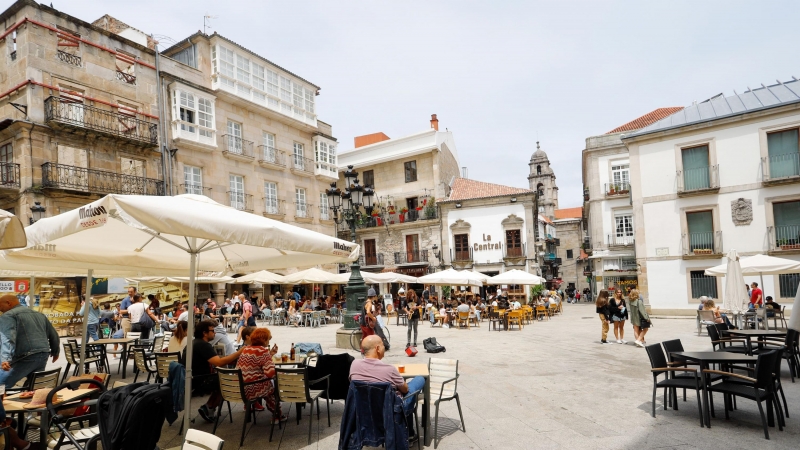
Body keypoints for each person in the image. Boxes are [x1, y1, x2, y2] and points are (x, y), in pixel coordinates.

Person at [349, 335, 425, 438]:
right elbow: (405, 389)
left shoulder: (354, 365)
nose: (384, 347)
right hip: (391, 411)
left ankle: (410, 433)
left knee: (402, 391)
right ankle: (410, 434)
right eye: (383, 344)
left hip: (365, 409)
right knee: (418, 380)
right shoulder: (389, 370)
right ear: (377, 348)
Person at [187, 320, 244, 423]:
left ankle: (209, 407)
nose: (215, 333)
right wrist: (239, 353)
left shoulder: (194, 343)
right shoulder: (203, 345)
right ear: (204, 333)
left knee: (220, 379)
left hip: (191, 379)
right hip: (198, 381)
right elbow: (219, 362)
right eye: (212, 331)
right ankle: (209, 407)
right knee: (226, 381)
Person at [0, 294, 60, 390]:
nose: (1, 310)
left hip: (25, 356)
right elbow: (54, 334)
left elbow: (8, 338)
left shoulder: (8, 316)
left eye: (1, 307)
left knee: (1, 384)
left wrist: (5, 359)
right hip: (43, 354)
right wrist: (55, 351)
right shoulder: (39, 315)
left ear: (8, 303)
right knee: (33, 387)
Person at [235, 328, 286, 421]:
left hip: (240, 388)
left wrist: (270, 354)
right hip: (252, 389)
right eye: (268, 339)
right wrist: (284, 375)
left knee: (268, 383)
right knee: (273, 387)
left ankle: (276, 414)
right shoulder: (262, 351)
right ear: (264, 340)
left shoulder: (246, 349)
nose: (268, 342)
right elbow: (270, 373)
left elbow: (257, 363)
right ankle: (277, 415)